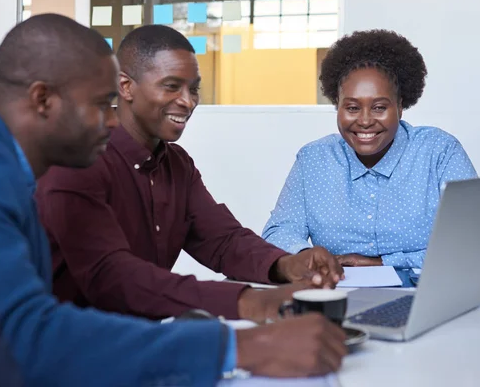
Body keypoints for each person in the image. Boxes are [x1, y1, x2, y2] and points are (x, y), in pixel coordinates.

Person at [0, 14, 347, 386]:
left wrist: (283, 266)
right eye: (102, 104)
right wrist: (237, 341)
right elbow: (32, 335)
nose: (113, 121)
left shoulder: (9, 171)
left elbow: (220, 238)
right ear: (42, 99)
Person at [35, 24, 343, 323]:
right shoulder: (80, 159)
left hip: (139, 340)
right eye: (171, 86)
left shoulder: (177, 164)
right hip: (68, 352)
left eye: (193, 89)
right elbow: (113, 277)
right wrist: (245, 301)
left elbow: (222, 241)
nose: (188, 101)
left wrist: (286, 264)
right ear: (126, 87)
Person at [262, 29, 477, 269]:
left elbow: (470, 243)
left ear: (400, 106)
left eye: (379, 108)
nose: (364, 121)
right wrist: (309, 257)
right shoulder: (313, 160)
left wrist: (383, 263)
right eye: (352, 108)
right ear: (338, 106)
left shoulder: (439, 152)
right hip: (337, 293)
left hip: (424, 295)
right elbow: (277, 233)